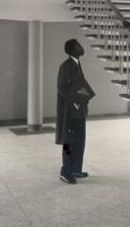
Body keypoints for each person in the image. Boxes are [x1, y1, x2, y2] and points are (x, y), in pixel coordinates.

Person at [55, 39, 94, 184]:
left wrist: (84, 99)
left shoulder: (77, 64)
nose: (81, 47)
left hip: (79, 111)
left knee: (79, 141)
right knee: (69, 143)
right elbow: (62, 89)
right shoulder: (65, 66)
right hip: (70, 112)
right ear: (72, 50)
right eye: (78, 45)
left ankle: (76, 168)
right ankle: (65, 172)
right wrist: (79, 100)